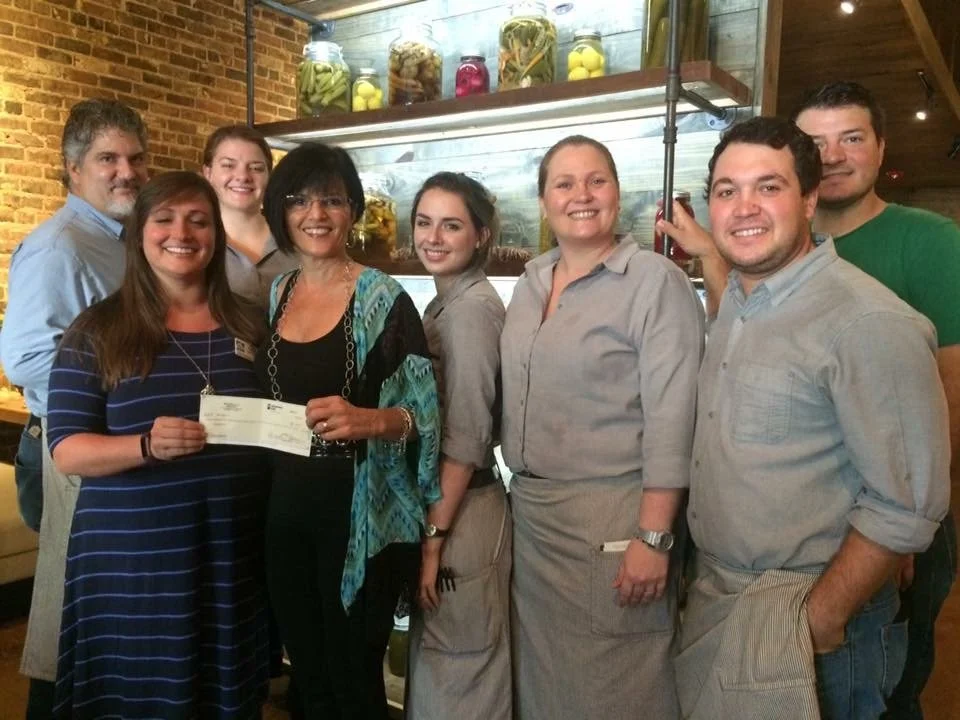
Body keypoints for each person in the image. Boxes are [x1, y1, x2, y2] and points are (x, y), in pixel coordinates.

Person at [659, 82, 960, 719]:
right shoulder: (740, 303)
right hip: (718, 597)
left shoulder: (868, 321)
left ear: (809, 199)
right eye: (726, 191)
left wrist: (821, 618)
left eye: (768, 187)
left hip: (807, 613)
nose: (744, 207)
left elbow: (907, 503)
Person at [47, 171, 271, 718]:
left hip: (230, 558)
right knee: (136, 697)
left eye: (198, 221)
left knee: (223, 697)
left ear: (217, 234)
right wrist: (145, 446)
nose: (182, 234)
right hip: (135, 566)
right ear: (139, 234)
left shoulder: (252, 326)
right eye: (164, 219)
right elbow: (67, 449)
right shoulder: (98, 330)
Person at [500, 135, 704, 720]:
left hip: (612, 519)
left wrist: (654, 537)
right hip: (534, 518)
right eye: (564, 184)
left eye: (597, 181)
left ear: (617, 193)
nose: (581, 196)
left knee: (617, 685)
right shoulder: (532, 280)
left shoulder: (653, 281)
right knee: (545, 685)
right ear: (544, 202)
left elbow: (674, 416)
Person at [254, 142, 440, 719]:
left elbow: (426, 418)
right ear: (280, 211)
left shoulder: (383, 297)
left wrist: (372, 420)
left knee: (353, 679)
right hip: (286, 513)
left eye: (332, 200)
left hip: (358, 516)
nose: (316, 214)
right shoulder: (279, 293)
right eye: (299, 200)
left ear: (352, 211)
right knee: (308, 675)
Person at [0, 98, 148, 719]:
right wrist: (126, 393)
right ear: (73, 168)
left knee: (94, 612)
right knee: (66, 615)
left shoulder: (121, 238)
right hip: (72, 450)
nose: (126, 172)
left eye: (135, 158)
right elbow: (26, 360)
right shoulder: (60, 246)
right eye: (108, 159)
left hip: (110, 447)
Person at [405, 172, 512, 720]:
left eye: (451, 225)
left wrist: (433, 541)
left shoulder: (470, 312)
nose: (434, 237)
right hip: (451, 504)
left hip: (462, 510)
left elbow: (466, 437)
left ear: (481, 235)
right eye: (424, 223)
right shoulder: (444, 303)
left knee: (461, 673)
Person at [201, 124, 297, 306]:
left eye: (256, 168)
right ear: (208, 173)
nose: (243, 176)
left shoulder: (296, 240)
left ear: (269, 175)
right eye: (228, 165)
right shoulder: (194, 242)